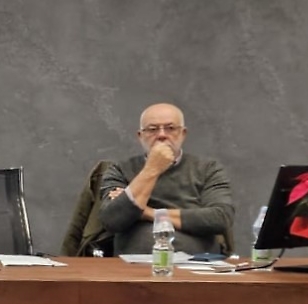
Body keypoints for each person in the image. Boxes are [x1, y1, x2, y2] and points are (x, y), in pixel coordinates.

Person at [98, 103, 235, 256]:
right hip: (133, 262)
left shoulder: (208, 169)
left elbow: (220, 218)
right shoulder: (120, 170)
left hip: (198, 263)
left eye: (170, 128)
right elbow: (112, 220)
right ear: (140, 136)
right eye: (152, 129)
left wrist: (146, 212)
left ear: (183, 133)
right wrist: (152, 169)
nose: (162, 135)